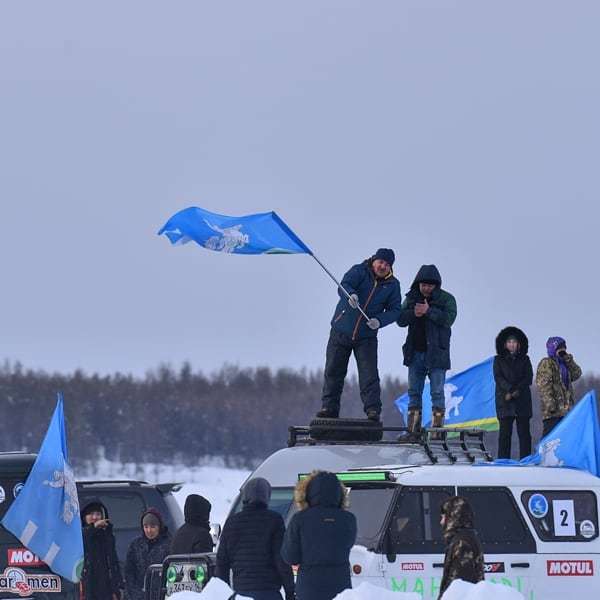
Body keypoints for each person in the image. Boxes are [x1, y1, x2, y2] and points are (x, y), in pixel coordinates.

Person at [317, 249, 402, 421]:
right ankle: (329, 408)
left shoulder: (393, 285)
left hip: (366, 337)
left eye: (387, 264)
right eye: (381, 262)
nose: (383, 266)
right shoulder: (359, 271)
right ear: (374, 260)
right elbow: (344, 285)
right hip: (341, 331)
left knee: (369, 374)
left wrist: (379, 320)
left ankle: (372, 410)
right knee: (334, 371)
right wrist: (351, 295)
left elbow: (395, 310)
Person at [397, 265, 457, 435]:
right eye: (423, 285)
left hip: (437, 355)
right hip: (415, 353)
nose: (426, 289)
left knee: (437, 393)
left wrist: (428, 311)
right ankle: (413, 430)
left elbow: (449, 319)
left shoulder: (447, 299)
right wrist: (413, 314)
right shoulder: (411, 298)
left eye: (430, 286)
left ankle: (437, 431)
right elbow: (400, 319)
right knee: (414, 393)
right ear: (418, 283)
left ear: (436, 286)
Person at [282, 471, 357, 600]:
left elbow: (290, 557)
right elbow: (348, 545)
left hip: (309, 588)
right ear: (340, 493)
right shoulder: (349, 519)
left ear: (308, 493)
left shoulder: (300, 519)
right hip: (340, 587)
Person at [216, 478, 294, 600]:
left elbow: (222, 562)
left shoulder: (232, 522)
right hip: (269, 592)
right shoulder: (274, 521)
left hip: (241, 593)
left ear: (245, 496)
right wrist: (290, 591)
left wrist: (223, 592)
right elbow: (281, 560)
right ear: (267, 497)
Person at [493, 326, 534, 459]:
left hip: (522, 400)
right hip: (505, 400)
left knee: (524, 434)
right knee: (505, 434)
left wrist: (517, 390)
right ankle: (503, 461)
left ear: (519, 344)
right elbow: (498, 377)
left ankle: (525, 459)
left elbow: (528, 377)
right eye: (509, 342)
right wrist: (510, 390)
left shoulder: (525, 359)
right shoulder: (498, 360)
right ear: (505, 344)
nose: (512, 344)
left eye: (514, 342)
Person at [439, 496, 484, 599]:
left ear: (452, 517)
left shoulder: (462, 543)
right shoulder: (464, 539)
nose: (441, 522)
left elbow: (461, 586)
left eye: (443, 517)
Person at [536, 336, 582, 437]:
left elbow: (577, 374)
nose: (562, 350)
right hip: (553, 411)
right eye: (559, 348)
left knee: (564, 438)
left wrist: (568, 359)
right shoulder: (547, 363)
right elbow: (544, 385)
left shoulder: (565, 364)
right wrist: (550, 404)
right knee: (550, 437)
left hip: (565, 410)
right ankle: (542, 453)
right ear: (553, 349)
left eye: (564, 348)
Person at [124, 509, 171, 600]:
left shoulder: (169, 545)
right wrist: (136, 595)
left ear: (159, 526)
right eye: (146, 526)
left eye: (153, 526)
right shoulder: (135, 545)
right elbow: (129, 573)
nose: (149, 530)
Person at [81, 499, 123, 600]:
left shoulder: (107, 534)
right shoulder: (80, 534)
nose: (95, 517)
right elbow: (83, 540)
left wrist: (117, 587)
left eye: (98, 514)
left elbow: (113, 561)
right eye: (91, 514)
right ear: (84, 517)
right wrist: (93, 527)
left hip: (105, 587)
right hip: (88, 585)